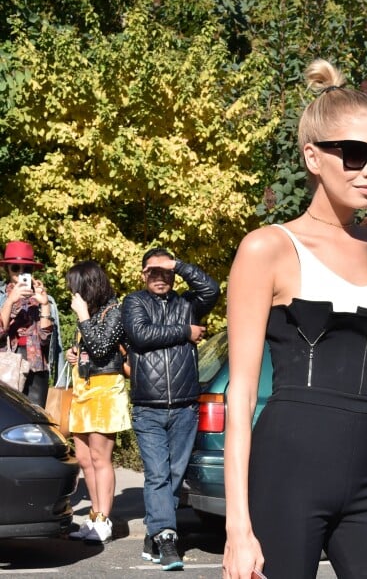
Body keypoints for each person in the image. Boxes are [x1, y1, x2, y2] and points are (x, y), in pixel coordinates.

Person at [222, 59, 367, 579]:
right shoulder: (268, 249)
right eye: (353, 153)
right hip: (284, 478)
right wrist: (239, 527)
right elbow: (239, 393)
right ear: (312, 157)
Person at [122, 248, 220, 571]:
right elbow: (141, 334)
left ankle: (154, 534)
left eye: (166, 272)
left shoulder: (186, 304)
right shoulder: (134, 302)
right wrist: (185, 333)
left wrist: (178, 264)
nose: (160, 278)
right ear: (143, 275)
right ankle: (166, 538)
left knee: (174, 477)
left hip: (184, 407)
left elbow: (212, 289)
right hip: (148, 408)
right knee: (158, 474)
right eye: (154, 272)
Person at [65, 260, 132, 544]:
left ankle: (104, 518)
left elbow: (103, 348)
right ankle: (93, 516)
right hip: (83, 389)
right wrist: (73, 353)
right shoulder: (92, 313)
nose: (72, 295)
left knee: (99, 458)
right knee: (83, 458)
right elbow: (89, 350)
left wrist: (82, 317)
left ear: (88, 288)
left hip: (105, 391)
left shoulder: (116, 311)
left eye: (75, 289)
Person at [0, 241, 55, 406]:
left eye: (27, 269)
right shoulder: (1, 298)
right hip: (6, 363)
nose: (21, 273)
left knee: (34, 423)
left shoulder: (43, 298)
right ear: (7, 269)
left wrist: (44, 305)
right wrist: (10, 302)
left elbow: (46, 340)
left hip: (35, 366)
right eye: (16, 268)